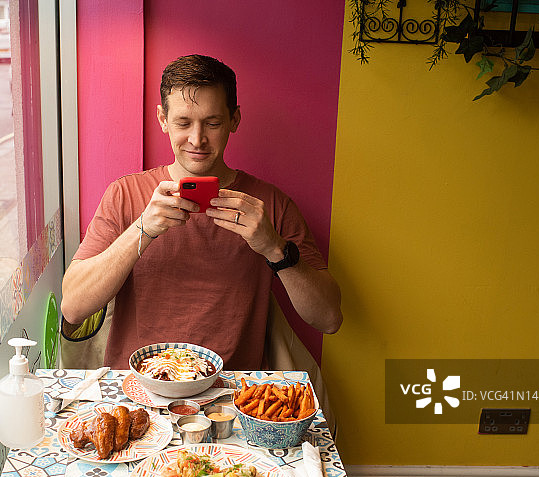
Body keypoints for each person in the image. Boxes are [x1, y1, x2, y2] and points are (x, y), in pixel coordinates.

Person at [61, 54, 342, 370]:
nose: (197, 139)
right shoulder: (125, 194)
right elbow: (73, 307)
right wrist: (143, 228)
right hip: (138, 389)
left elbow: (329, 319)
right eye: (183, 123)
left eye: (213, 123)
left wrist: (273, 248)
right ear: (162, 119)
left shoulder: (269, 204)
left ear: (234, 120)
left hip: (233, 393)